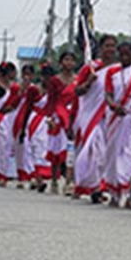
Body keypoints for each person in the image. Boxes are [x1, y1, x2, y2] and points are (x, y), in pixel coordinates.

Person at [73, 35, 117, 203]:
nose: (110, 49)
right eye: (107, 46)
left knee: (105, 152)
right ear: (100, 48)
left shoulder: (118, 69)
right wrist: (89, 82)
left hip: (110, 115)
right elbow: (77, 91)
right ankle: (90, 185)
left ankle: (100, 186)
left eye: (113, 46)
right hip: (90, 116)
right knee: (92, 151)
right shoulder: (90, 68)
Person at [103, 41, 131, 207]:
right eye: (122, 54)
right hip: (115, 118)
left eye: (128, 54)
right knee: (113, 155)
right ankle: (114, 192)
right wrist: (113, 106)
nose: (124, 57)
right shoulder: (112, 72)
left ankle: (127, 190)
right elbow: (108, 94)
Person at [46, 51, 78, 195]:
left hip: (73, 115)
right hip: (58, 116)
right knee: (56, 150)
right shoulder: (54, 80)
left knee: (71, 150)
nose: (69, 63)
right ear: (61, 62)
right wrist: (50, 118)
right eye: (66, 59)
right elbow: (51, 100)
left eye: (71, 60)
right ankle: (54, 180)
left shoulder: (78, 80)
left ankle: (69, 182)